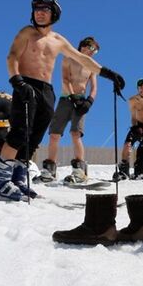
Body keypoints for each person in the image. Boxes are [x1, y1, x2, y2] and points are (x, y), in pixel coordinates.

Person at [0, 0, 124, 200]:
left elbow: (82, 58)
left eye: (45, 10)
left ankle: (17, 179)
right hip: (26, 85)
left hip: (47, 91)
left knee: (33, 138)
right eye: (37, 9)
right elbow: (12, 57)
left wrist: (108, 73)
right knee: (19, 132)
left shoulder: (58, 40)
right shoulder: (27, 32)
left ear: (54, 14)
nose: (40, 13)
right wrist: (17, 81)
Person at [40, 36, 100, 183]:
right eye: (92, 49)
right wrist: (72, 96)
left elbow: (94, 87)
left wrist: (89, 101)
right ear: (84, 47)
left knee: (76, 133)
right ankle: (49, 170)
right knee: (54, 134)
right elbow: (65, 79)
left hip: (81, 101)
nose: (93, 53)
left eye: (96, 51)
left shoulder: (92, 65)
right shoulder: (68, 59)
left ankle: (79, 170)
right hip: (66, 99)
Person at [113, 79, 143, 181]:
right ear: (137, 89)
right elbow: (133, 116)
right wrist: (136, 127)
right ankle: (124, 170)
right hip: (138, 125)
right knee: (127, 144)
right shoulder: (132, 100)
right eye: (141, 88)